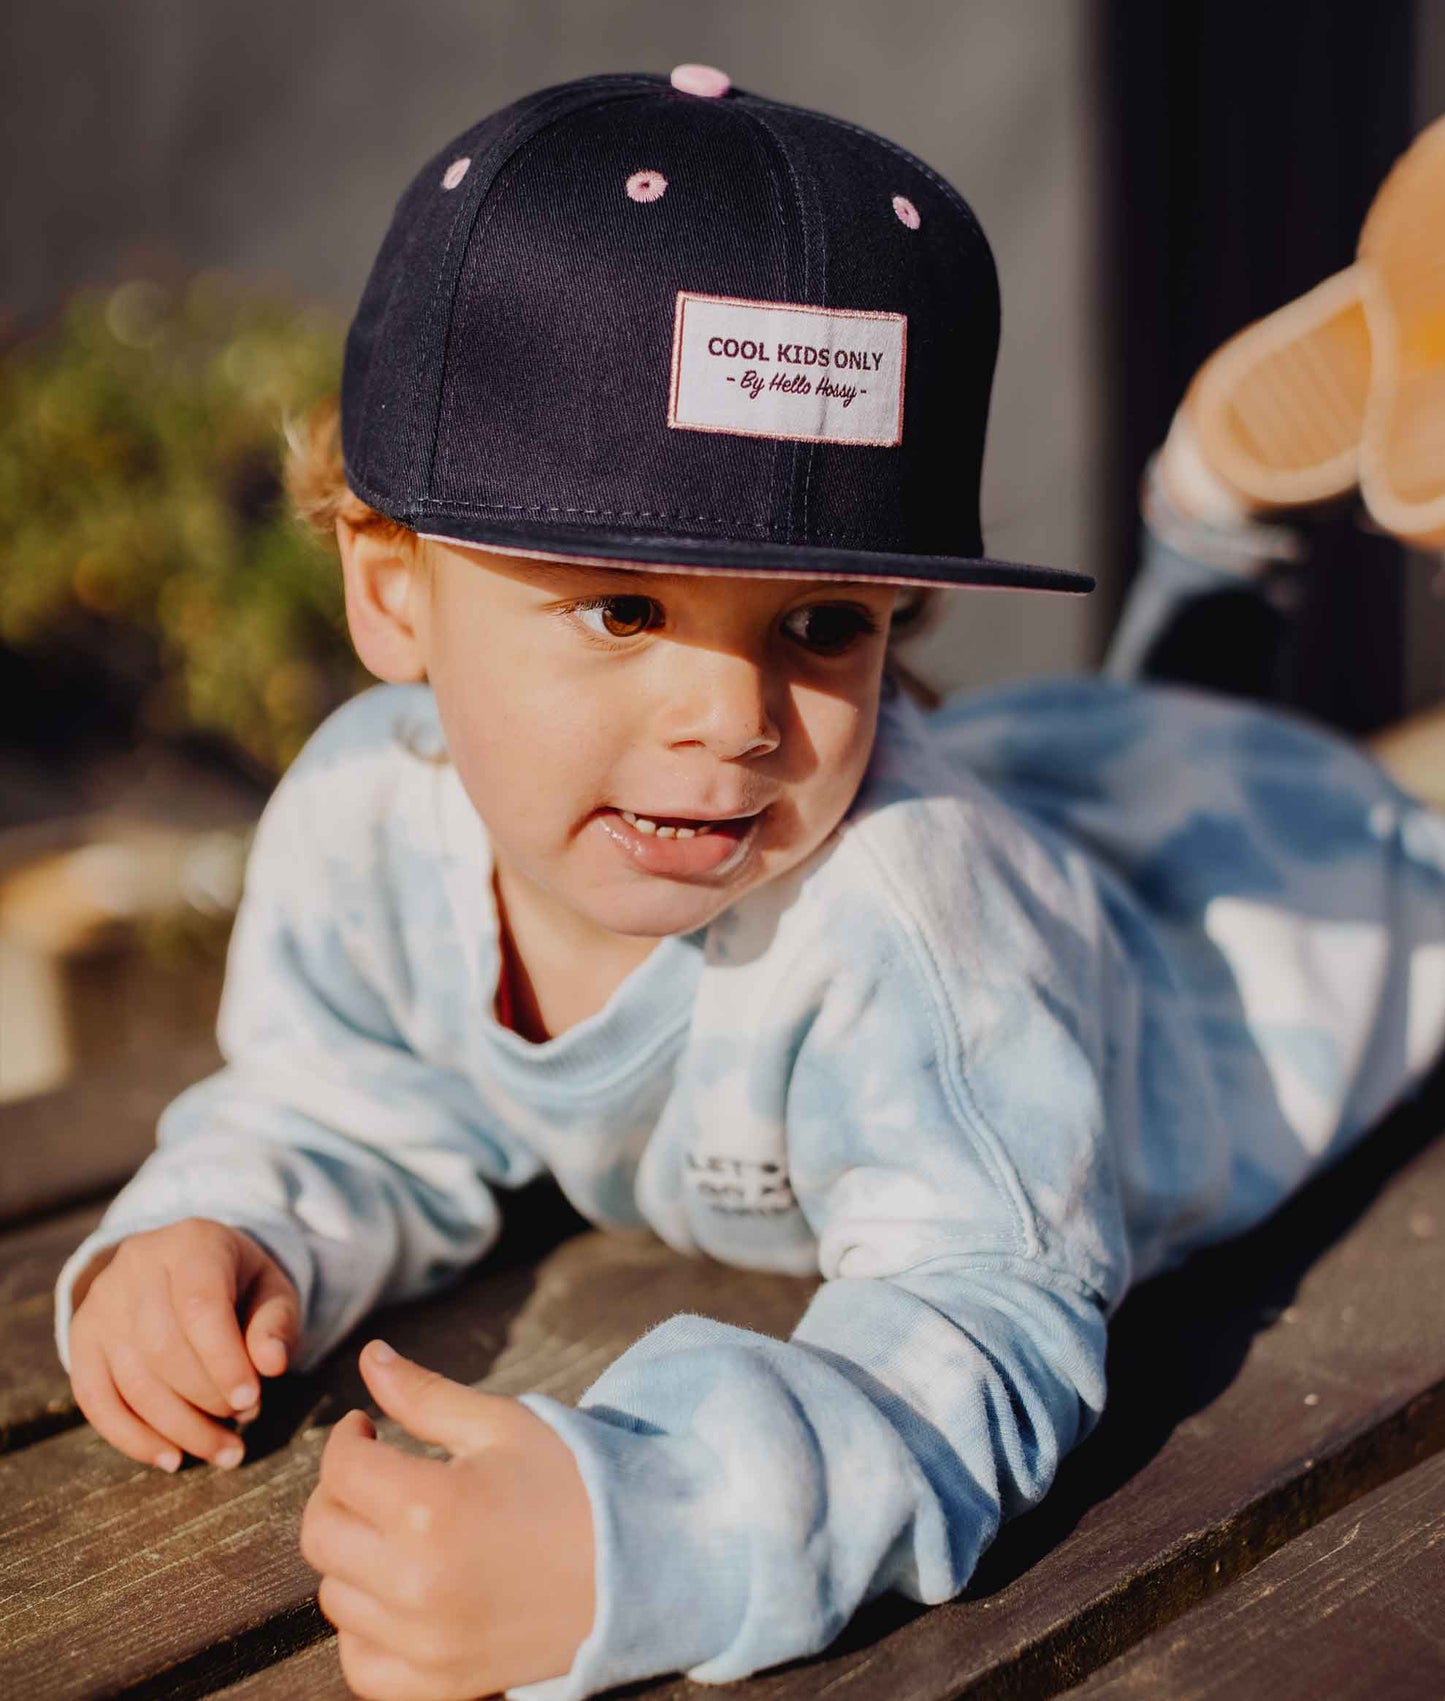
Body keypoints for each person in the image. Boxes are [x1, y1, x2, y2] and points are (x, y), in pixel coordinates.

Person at [51, 71, 1445, 1701]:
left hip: (1278, 913)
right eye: (626, 609)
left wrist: (641, 1529)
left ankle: (1220, 528)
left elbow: (975, 1328)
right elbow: (341, 1096)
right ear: (388, 590)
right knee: (1118, 754)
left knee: (1233, 801)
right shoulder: (368, 817)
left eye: (823, 621)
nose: (732, 715)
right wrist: (216, 1227)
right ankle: (1207, 514)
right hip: (1059, 788)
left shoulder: (917, 921)